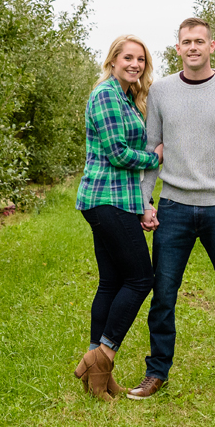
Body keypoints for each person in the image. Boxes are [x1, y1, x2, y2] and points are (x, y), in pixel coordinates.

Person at [127, 16, 215, 401]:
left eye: (199, 41)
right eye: (186, 42)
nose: (192, 47)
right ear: (178, 48)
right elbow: (153, 151)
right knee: (164, 295)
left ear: (211, 46)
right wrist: (146, 201)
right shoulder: (162, 93)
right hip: (174, 209)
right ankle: (157, 372)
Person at [72, 34, 163, 401]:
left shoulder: (126, 97)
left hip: (116, 200)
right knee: (141, 279)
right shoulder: (107, 94)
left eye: (140, 59)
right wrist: (156, 157)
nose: (135, 64)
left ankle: (99, 374)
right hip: (105, 200)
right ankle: (102, 356)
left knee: (111, 282)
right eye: (128, 58)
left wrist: (143, 203)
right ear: (113, 60)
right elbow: (118, 154)